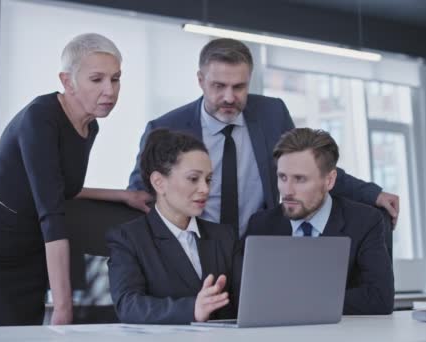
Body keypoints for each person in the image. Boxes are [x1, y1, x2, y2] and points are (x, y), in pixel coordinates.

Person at [0, 33, 151, 326]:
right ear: (67, 81)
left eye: (115, 79)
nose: (110, 90)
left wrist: (122, 195)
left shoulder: (89, 126)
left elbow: (59, 187)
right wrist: (63, 307)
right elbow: (51, 211)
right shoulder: (40, 119)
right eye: (97, 79)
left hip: (28, 252)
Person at [127, 38, 399, 237]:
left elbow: (313, 168)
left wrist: (373, 194)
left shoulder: (271, 113)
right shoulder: (166, 127)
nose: (229, 97)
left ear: (250, 80)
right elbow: (141, 197)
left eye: (239, 87)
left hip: (257, 245)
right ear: (200, 80)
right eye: (218, 86)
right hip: (194, 248)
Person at [246, 128, 394, 315]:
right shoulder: (261, 225)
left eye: (300, 179)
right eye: (282, 177)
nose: (287, 191)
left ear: (329, 180)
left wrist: (298, 301)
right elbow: (248, 297)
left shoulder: (365, 222)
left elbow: (380, 298)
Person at [107, 129, 241, 324]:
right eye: (193, 178)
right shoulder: (128, 238)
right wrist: (192, 309)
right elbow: (129, 305)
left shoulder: (224, 236)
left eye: (208, 179)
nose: (205, 189)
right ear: (159, 183)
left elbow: (246, 300)